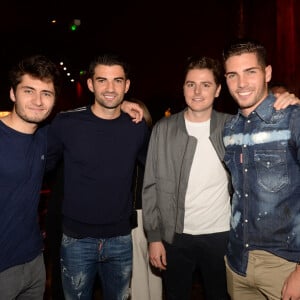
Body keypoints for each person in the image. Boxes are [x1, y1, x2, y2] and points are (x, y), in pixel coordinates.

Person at [46, 52, 150, 300]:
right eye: (102, 80)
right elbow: (41, 165)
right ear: (91, 84)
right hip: (76, 239)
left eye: (117, 80)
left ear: (127, 85)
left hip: (120, 239)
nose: (110, 88)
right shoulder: (66, 124)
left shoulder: (136, 127)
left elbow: (153, 170)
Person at [142, 56, 232, 300]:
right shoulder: (164, 128)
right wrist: (154, 237)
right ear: (183, 87)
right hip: (175, 236)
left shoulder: (232, 126)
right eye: (191, 84)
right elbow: (150, 185)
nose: (197, 91)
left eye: (206, 84)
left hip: (221, 235)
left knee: (220, 295)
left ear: (218, 90)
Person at [222, 38, 300, 300]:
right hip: (237, 263)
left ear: (267, 72)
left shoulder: (293, 117)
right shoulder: (229, 128)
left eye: (250, 72)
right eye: (233, 75)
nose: (241, 83)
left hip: (285, 265)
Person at [0, 54, 61, 299]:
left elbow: (85, 116)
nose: (38, 101)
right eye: (28, 91)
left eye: (46, 93)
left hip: (35, 261)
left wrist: (121, 105)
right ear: (13, 94)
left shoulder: (46, 136)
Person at [129, 98, 163, 300]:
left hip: (139, 210)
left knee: (140, 266)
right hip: (151, 210)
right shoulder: (153, 138)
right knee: (153, 265)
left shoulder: (141, 140)